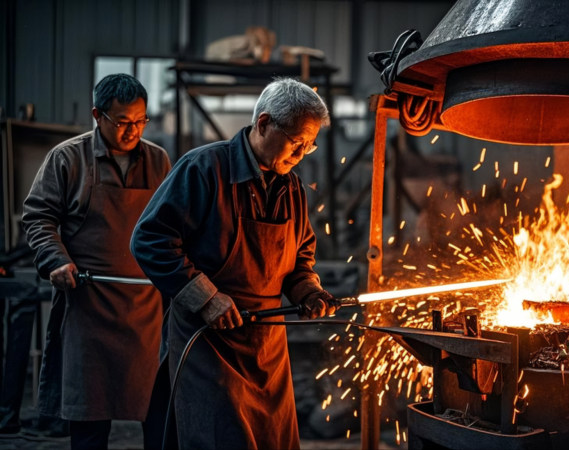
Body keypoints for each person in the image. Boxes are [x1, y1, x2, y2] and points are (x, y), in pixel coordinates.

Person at [131, 78, 338, 449]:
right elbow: (149, 239)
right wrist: (207, 298)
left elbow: (300, 256)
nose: (304, 153)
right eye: (297, 142)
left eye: (310, 144)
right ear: (263, 124)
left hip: (266, 346)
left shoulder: (291, 188)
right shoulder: (204, 169)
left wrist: (308, 290)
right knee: (218, 437)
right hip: (209, 344)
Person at [21, 73, 171, 449]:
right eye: (122, 122)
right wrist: (55, 259)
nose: (131, 130)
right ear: (97, 115)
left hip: (146, 314)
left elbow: (173, 225)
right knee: (89, 425)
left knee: (160, 419)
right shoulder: (68, 158)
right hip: (88, 307)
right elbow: (38, 217)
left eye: (140, 121)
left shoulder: (158, 160)